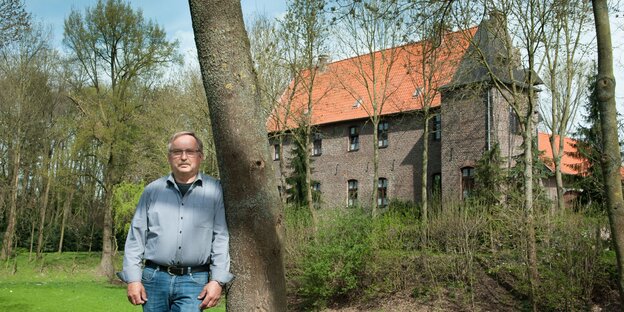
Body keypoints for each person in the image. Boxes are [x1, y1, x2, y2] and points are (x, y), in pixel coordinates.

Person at [117, 131, 234, 311]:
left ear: (201, 156)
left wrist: (217, 281)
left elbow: (220, 238)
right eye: (177, 152)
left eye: (190, 151)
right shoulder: (152, 191)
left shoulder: (215, 192)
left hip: (195, 281)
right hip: (153, 279)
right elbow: (136, 238)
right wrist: (133, 279)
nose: (184, 157)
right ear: (169, 157)